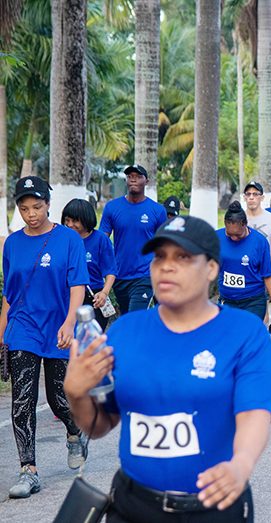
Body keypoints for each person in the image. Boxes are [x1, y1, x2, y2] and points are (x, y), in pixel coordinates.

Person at [64, 215, 271, 522]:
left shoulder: (244, 332)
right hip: (133, 506)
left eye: (183, 257)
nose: (166, 266)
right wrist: (76, 392)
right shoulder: (124, 332)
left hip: (215, 505)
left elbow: (254, 413)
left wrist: (240, 465)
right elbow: (99, 425)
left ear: (211, 269)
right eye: (159, 257)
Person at [1, 176, 90, 498]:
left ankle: (75, 430)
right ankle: (28, 470)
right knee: (22, 399)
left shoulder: (68, 240)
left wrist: (69, 323)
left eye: (37, 207)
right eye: (24, 209)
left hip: (58, 326)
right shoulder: (12, 244)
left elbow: (77, 285)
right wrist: (2, 337)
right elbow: (9, 296)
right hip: (23, 327)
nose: (31, 214)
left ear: (48, 204)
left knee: (58, 398)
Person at [100, 164, 167, 314]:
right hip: (119, 275)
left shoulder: (157, 210)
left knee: (134, 317)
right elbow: (102, 240)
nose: (133, 180)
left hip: (145, 276)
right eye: (130, 177)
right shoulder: (112, 208)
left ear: (146, 181)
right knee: (126, 319)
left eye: (138, 177)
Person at [216, 201, 271, 322]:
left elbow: (267, 276)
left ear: (245, 224)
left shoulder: (259, 241)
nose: (234, 238)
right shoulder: (216, 238)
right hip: (227, 301)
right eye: (229, 234)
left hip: (253, 302)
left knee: (249, 337)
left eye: (238, 235)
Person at [62, 198, 118, 331]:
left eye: (75, 221)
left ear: (86, 219)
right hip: (68, 297)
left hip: (93, 298)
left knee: (91, 340)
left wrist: (104, 293)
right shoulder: (63, 240)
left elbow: (110, 270)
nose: (70, 225)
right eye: (67, 220)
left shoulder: (100, 239)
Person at [242, 181, 271, 280]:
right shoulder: (238, 219)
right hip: (242, 271)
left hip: (265, 272)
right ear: (244, 197)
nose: (251, 197)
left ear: (262, 198)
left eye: (255, 194)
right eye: (248, 194)